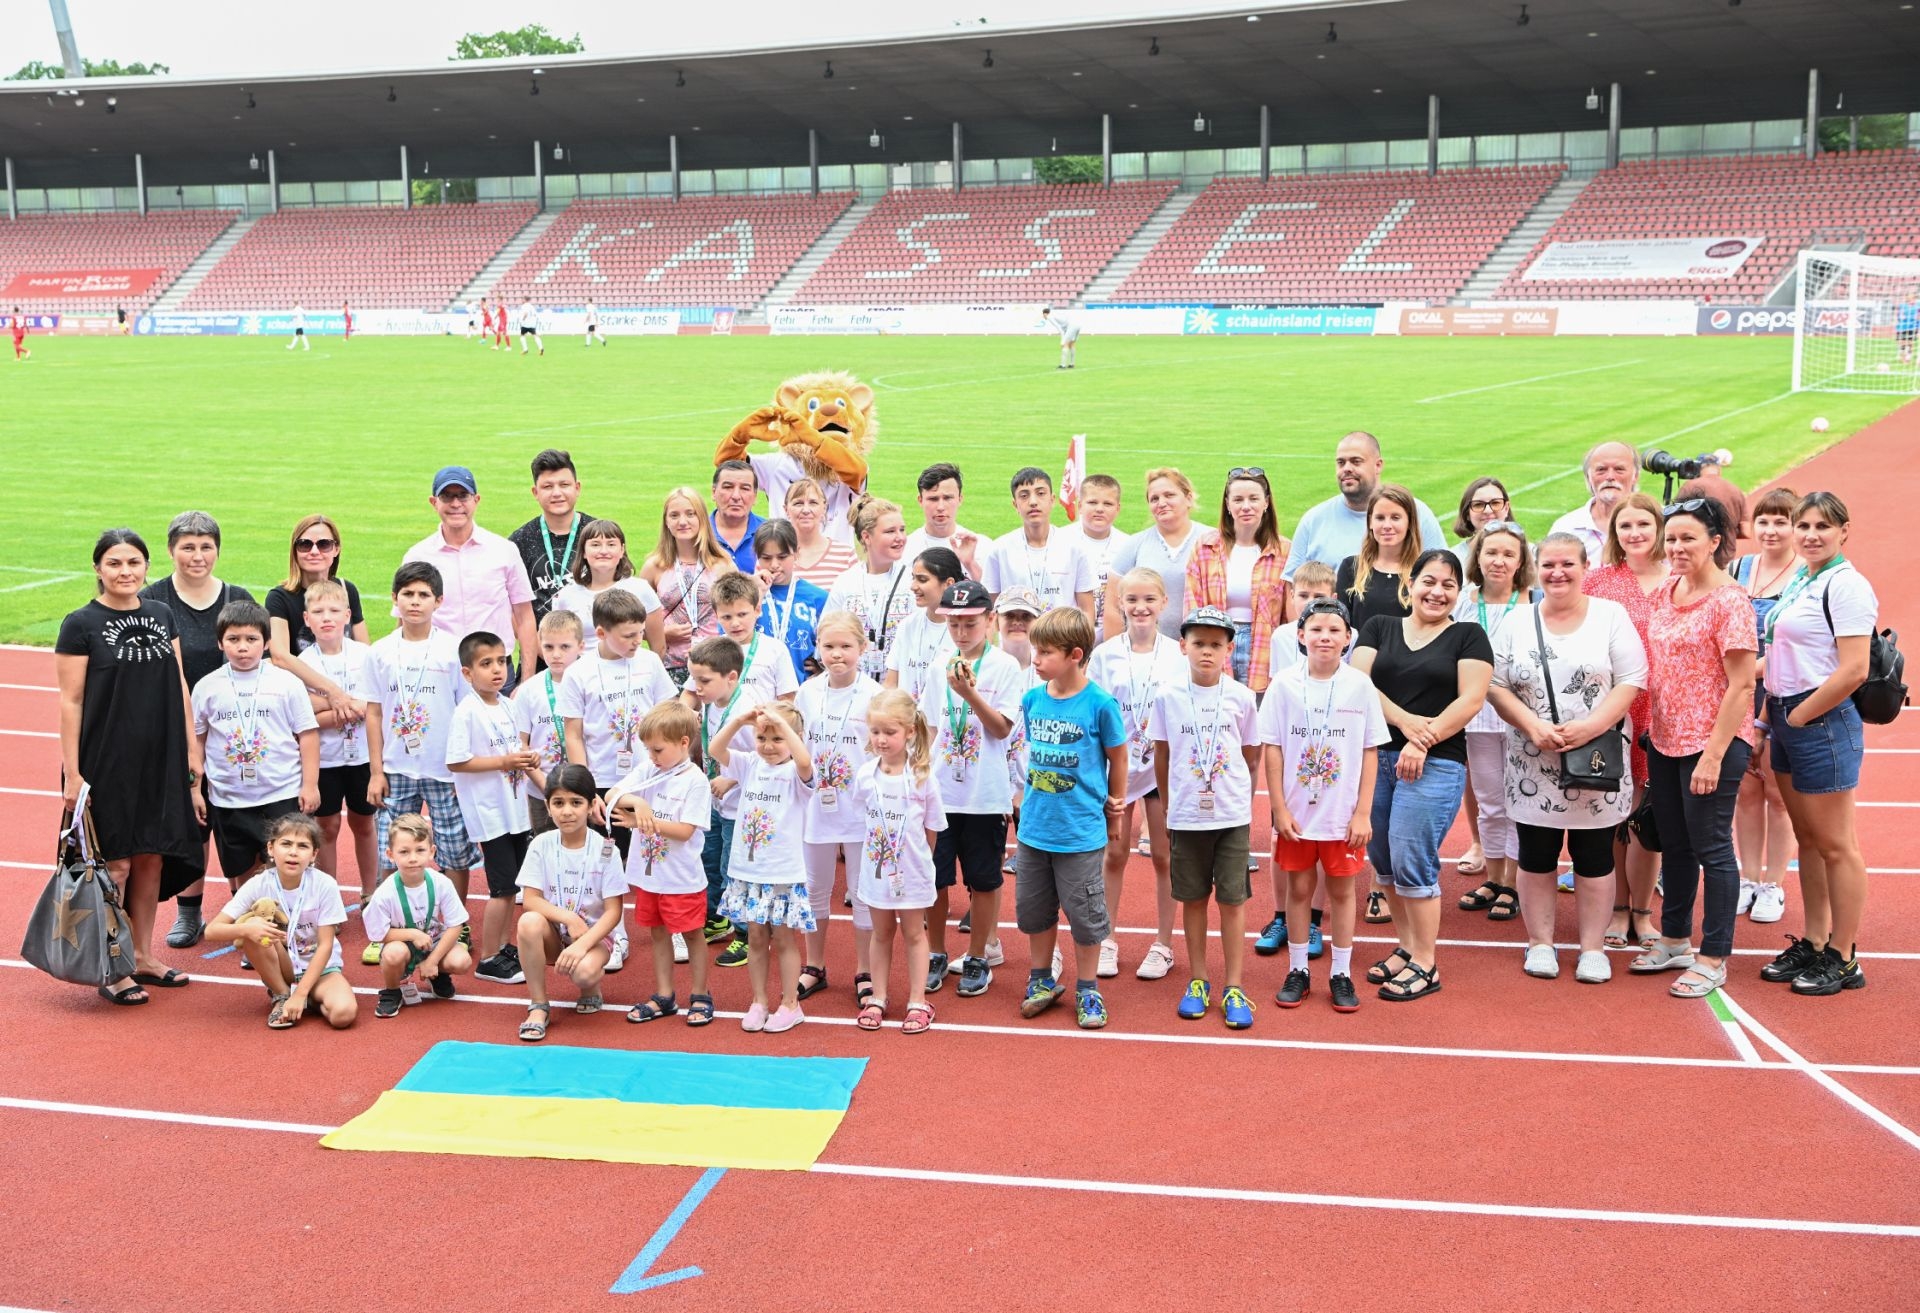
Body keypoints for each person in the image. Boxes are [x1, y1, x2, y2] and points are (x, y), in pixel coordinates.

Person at [1487, 533, 1647, 984]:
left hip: (1595, 756)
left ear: (1584, 567)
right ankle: (1540, 942)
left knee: (1594, 855)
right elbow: (1495, 683)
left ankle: (1592, 948)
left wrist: (1590, 727)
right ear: (1536, 570)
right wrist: (1532, 726)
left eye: (1567, 564)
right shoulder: (1516, 621)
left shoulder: (1610, 616)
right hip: (1531, 759)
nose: (1558, 573)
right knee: (1536, 854)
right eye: (1549, 565)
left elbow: (1632, 678)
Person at [56, 529, 204, 1004]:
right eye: (115, 563)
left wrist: (191, 749)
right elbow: (70, 701)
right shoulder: (80, 623)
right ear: (98, 569)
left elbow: (179, 682)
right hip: (105, 761)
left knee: (152, 857)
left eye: (134, 563)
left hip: (160, 757)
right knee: (114, 864)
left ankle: (142, 955)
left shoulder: (161, 614)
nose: (126, 572)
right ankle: (111, 964)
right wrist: (73, 773)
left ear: (146, 566)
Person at [1349, 550, 1493, 1002]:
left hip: (1436, 762)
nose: (1437, 592)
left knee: (1413, 857)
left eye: (1449, 585)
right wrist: (1407, 723)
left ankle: (1427, 964)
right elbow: (1360, 684)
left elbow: (1470, 700)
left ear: (1459, 592)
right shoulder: (1379, 627)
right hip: (1377, 759)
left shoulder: (1468, 636)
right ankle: (1407, 947)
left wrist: (1422, 738)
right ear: (1409, 584)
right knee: (1385, 858)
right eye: (1429, 581)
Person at [1631, 496, 1757, 1000]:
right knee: (1675, 845)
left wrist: (1712, 754)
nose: (1678, 546)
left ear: (1714, 542)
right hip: (1664, 739)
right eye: (1673, 537)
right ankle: (1676, 938)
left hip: (1713, 744)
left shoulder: (1731, 602)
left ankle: (1714, 955)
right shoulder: (1667, 590)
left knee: (1712, 847)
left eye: (1689, 538)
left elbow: (1742, 686)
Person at [1758, 491, 1877, 996]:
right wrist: (1769, 720)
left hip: (1820, 719)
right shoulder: (1806, 579)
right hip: (1788, 716)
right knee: (1807, 840)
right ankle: (1814, 939)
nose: (1810, 535)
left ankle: (1844, 956)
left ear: (1843, 530)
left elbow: (1854, 669)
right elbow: (1781, 656)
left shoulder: (1848, 586)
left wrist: (1800, 717)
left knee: (1836, 845)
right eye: (1803, 525)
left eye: (1822, 526)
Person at [1261, 597, 1385, 1014]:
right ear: (1300, 636)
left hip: (1341, 814)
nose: (1325, 636)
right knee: (1298, 889)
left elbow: (1370, 750)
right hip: (1297, 813)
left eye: (1334, 630)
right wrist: (1279, 807)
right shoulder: (1283, 684)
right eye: (1316, 629)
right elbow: (1273, 748)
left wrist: (1363, 811)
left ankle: (1341, 973)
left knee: (1343, 891)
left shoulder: (1359, 685)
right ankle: (1298, 969)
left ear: (1348, 638)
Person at [140, 511, 255, 948]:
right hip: (175, 732)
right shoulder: (152, 601)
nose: (197, 555)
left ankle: (244, 913)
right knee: (193, 822)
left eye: (206, 546)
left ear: (218, 550)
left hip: (234, 732)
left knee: (240, 823)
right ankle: (190, 914)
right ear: (171, 551)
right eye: (187, 546)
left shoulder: (238, 597)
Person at [1014, 608, 1128, 1030]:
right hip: (1034, 830)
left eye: (1045, 652)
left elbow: (1118, 756)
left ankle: (1087, 987)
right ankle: (1041, 979)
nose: (1036, 660)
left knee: (1085, 914)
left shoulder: (1100, 704)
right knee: (1034, 910)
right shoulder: (1032, 700)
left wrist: (1115, 804)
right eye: (1035, 650)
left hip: (1080, 831)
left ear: (1075, 654)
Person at [1151, 606, 1261, 1030]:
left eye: (1216, 645)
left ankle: (1234, 985)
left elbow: (1251, 756)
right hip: (1184, 816)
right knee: (1193, 899)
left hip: (1230, 816)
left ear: (1230, 649)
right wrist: (1167, 805)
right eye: (1198, 643)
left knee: (1232, 901)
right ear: (1183, 646)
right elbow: (1162, 754)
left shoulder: (1241, 697)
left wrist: (1236, 800)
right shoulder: (1167, 696)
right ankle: (1199, 980)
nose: (1207, 652)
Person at [919, 580, 1022, 998]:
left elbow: (1001, 729)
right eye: (954, 623)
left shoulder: (1005, 667)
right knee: (935, 877)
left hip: (985, 794)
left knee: (984, 879)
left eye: (970, 622)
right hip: (941, 791)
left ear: (990, 621)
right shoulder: (937, 664)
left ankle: (979, 954)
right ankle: (937, 953)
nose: (961, 632)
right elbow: (929, 725)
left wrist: (970, 694)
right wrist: (920, 772)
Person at [1582, 491, 1669, 949]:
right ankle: (1617, 908)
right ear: (1614, 534)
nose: (1634, 535)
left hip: (1666, 712)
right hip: (1613, 710)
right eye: (1625, 527)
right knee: (1613, 813)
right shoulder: (1597, 582)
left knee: (1647, 817)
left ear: (1659, 529)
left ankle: (1643, 912)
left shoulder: (1680, 579)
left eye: (1643, 525)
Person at [1088, 567, 1183, 981]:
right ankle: (1107, 938)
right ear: (1120, 604)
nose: (1140, 607)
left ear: (1164, 603)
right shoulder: (1106, 655)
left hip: (1163, 767)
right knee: (1114, 852)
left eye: (1149, 599)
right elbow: (1093, 709)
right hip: (1117, 766)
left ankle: (1163, 943)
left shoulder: (1177, 654)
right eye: (1132, 600)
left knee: (1164, 855)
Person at [190, 599, 320, 903]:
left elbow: (308, 734)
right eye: (233, 640)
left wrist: (310, 784)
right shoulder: (207, 687)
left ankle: (287, 922)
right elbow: (196, 741)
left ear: (265, 642)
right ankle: (251, 922)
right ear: (220, 642)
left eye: (251, 639)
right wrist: (195, 789)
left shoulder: (286, 683)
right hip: (228, 797)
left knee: (282, 864)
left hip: (280, 792)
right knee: (240, 868)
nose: (243, 648)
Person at [364, 562, 474, 914]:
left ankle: (456, 921)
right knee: (390, 845)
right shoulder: (379, 651)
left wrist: (463, 769)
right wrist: (376, 771)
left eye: (423, 595)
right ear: (395, 599)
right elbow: (374, 712)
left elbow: (464, 711)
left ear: (438, 601)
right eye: (407, 594)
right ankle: (389, 922)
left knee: (454, 849)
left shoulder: (453, 649)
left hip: (444, 770)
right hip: (396, 769)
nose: (415, 602)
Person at [1254, 560, 1343, 957]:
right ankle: (1280, 915)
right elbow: (1278, 691)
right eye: (1303, 596)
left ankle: (1314, 920)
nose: (1310, 602)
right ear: (1291, 599)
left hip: (1327, 748)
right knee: (1283, 834)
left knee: (1323, 837)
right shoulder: (1282, 636)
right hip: (1292, 749)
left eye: (1319, 596)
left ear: (1334, 598)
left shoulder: (1341, 635)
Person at [711, 703, 817, 1032]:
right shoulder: (749, 764)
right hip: (749, 871)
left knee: (784, 939)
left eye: (777, 738)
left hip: (782, 872)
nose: (768, 746)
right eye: (761, 738)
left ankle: (790, 1004)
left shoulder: (797, 773)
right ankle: (759, 1001)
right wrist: (741, 719)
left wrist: (783, 727)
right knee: (756, 937)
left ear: (795, 737)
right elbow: (716, 748)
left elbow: (804, 760)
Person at [608, 702, 713, 1026]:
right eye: (648, 749)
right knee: (657, 933)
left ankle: (700, 994)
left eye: (657, 749)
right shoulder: (648, 770)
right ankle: (664, 995)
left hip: (681, 877)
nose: (651, 756)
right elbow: (615, 794)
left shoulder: (695, 780)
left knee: (693, 935)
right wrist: (635, 801)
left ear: (684, 742)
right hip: (649, 876)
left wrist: (644, 821)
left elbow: (684, 831)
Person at [1452, 521, 1537, 923]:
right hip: (1477, 716)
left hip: (1521, 716)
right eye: (1491, 552)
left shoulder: (1534, 602)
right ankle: (1495, 876)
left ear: (1521, 562)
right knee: (1489, 801)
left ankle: (1516, 882)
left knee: (1519, 800)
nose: (1498, 561)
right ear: (1478, 557)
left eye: (1508, 554)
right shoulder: (1464, 602)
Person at [795, 612, 882, 1007]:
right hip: (816, 806)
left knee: (862, 893)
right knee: (815, 889)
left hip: (861, 809)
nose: (837, 654)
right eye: (829, 646)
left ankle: (864, 969)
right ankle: (814, 965)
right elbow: (799, 747)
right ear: (818, 648)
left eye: (846, 646)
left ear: (863, 649)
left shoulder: (874, 695)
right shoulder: (808, 692)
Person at [204, 812, 356, 1030]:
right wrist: (247, 928)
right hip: (284, 966)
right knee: (254, 930)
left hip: (321, 969)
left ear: (314, 854)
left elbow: (325, 945)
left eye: (302, 846)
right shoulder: (259, 884)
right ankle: (282, 994)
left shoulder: (325, 885)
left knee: (344, 1015)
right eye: (286, 844)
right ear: (270, 849)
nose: (293, 852)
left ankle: (306, 999)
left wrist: (302, 993)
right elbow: (212, 931)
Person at [559, 588, 677, 860]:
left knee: (653, 856)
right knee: (608, 861)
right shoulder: (578, 673)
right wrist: (585, 790)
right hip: (602, 780)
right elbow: (573, 735)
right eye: (628, 636)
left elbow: (668, 713)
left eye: (641, 632)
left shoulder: (649, 662)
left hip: (650, 775)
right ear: (601, 634)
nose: (638, 641)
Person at [854, 689, 947, 1034]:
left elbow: (932, 831)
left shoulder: (923, 777)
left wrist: (918, 863)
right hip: (876, 872)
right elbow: (861, 817)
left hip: (912, 872)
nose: (881, 739)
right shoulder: (865, 775)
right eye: (875, 731)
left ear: (909, 732)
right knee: (881, 933)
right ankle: (878, 997)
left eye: (889, 732)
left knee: (913, 933)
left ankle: (917, 1000)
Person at [448, 631, 537, 984]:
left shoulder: (508, 705)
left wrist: (526, 757)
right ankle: (487, 958)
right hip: (490, 812)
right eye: (486, 664)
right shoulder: (467, 712)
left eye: (502, 661)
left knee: (515, 885)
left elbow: (517, 749)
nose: (497, 670)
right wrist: (505, 761)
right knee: (502, 889)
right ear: (468, 673)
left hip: (515, 810)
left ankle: (502, 946)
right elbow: (457, 761)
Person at [512, 766, 624, 1040]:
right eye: (558, 803)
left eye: (576, 802)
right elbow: (530, 900)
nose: (567, 811)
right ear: (548, 807)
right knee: (528, 921)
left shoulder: (606, 849)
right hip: (558, 934)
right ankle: (538, 1004)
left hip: (594, 938)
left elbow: (614, 912)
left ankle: (590, 989)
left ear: (591, 805)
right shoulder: (541, 844)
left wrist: (583, 944)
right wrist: (569, 918)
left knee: (584, 973)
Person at [405, 465, 539, 691]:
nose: (456, 504)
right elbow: (406, 620)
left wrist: (526, 681)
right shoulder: (417, 556)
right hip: (438, 672)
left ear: (476, 499)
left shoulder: (503, 550)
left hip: (496, 672)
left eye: (463, 496)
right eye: (447, 496)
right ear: (433, 502)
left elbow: (525, 617)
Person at [1733, 487, 1801, 925]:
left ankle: (1773, 883)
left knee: (1777, 793)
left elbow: (1793, 645)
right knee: (1744, 792)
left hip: (1780, 694)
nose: (1771, 530)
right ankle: (1748, 878)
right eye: (1764, 521)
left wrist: (1748, 673)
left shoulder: (1803, 576)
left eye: (1781, 521)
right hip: (1736, 695)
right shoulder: (1739, 567)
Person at [686, 635, 764, 968]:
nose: (697, 688)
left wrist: (731, 778)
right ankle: (718, 919)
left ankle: (748, 936)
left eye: (704, 681)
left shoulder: (750, 707)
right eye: (694, 679)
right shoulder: (711, 701)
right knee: (710, 858)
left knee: (734, 868)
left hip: (741, 804)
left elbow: (768, 756)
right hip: (717, 801)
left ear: (731, 677)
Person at [301, 579, 377, 901]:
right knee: (326, 828)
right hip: (326, 760)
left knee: (364, 824)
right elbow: (305, 716)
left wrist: (333, 707)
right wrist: (349, 708)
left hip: (361, 756)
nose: (326, 617)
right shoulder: (303, 663)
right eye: (318, 611)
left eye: (333, 610)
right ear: (307, 619)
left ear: (348, 615)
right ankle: (329, 897)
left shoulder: (365, 655)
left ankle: (371, 892)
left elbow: (373, 707)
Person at [1284, 431, 1446, 580]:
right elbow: (1292, 585)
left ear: (1378, 465)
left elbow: (1442, 574)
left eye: (1356, 461)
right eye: (1341, 463)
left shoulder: (1417, 513)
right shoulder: (1313, 519)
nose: (1347, 468)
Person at [1186, 467, 1290, 692]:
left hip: (1263, 648)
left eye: (1254, 499)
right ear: (1227, 504)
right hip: (1216, 643)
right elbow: (1192, 604)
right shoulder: (1205, 547)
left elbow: (1287, 614)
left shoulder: (1284, 551)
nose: (1246, 506)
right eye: (1238, 499)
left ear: (1266, 503)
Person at [363, 812, 472, 1019]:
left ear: (432, 852)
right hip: (403, 944)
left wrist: (433, 960)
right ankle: (392, 990)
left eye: (420, 850)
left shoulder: (441, 883)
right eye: (404, 852)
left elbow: (456, 925)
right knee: (392, 954)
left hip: (433, 941)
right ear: (390, 854)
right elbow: (378, 934)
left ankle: (437, 973)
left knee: (461, 961)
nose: (413, 858)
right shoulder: (385, 892)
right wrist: (412, 933)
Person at [266, 514, 370, 716]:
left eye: (324, 544)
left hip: (349, 692)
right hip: (306, 697)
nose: (314, 551)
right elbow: (280, 657)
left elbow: (365, 650)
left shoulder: (346, 590)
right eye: (305, 544)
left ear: (336, 549)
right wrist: (331, 693)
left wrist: (348, 697)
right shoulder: (279, 597)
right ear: (294, 550)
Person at [639, 486, 731, 684]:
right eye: (674, 515)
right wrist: (660, 634)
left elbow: (740, 615)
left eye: (690, 514)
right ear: (666, 521)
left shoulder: (723, 565)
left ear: (702, 519)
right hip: (669, 668)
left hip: (716, 666)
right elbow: (631, 622)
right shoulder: (654, 567)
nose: (682, 521)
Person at [982, 468, 1096, 622]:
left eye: (1040, 493)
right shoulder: (999, 550)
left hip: (1062, 641)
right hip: (1017, 641)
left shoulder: (1076, 547)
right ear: (1015, 505)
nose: (1033, 502)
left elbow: (1087, 611)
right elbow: (991, 612)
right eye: (1024, 496)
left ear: (1052, 499)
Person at [508, 449, 602, 629]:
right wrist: (542, 649)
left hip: (593, 651)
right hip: (540, 652)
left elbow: (619, 596)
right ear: (535, 492)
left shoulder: (600, 534)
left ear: (577, 488)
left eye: (564, 484)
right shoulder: (518, 542)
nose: (557, 493)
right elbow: (511, 609)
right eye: (547, 487)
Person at [827, 496, 916, 682]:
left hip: (901, 691)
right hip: (855, 689)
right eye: (890, 531)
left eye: (902, 530)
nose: (900, 538)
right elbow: (827, 631)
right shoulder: (846, 582)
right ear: (866, 537)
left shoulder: (913, 580)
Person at [1107, 468, 1203, 642]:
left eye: (1169, 495)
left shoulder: (1212, 539)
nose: (1161, 503)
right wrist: (1114, 655)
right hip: (1146, 650)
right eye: (1154, 499)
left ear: (1188, 498)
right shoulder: (1135, 544)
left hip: (1199, 650)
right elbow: (1113, 606)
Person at [515, 608, 585, 838]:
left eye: (565, 647)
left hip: (583, 789)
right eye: (548, 647)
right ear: (539, 645)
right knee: (546, 847)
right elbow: (520, 744)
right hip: (541, 789)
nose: (556, 655)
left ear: (581, 646)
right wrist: (546, 786)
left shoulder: (590, 683)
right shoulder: (528, 691)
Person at [550, 518, 667, 656]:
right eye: (595, 545)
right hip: (585, 674)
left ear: (622, 550)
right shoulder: (567, 596)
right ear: (584, 552)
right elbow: (559, 646)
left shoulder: (640, 589)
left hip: (629, 673)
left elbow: (658, 647)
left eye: (611, 544)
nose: (603, 551)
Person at [1336, 483, 1424, 635]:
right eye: (1380, 518)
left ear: (1409, 522)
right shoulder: (1351, 568)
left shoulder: (1423, 570)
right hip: (1361, 657)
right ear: (1370, 521)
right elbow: (1341, 626)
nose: (1387, 525)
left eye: (1395, 518)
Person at [886, 546, 964, 701]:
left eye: (922, 579)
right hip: (907, 721)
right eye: (913, 578)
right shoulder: (908, 625)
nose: (913, 586)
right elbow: (891, 683)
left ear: (948, 583)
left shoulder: (965, 629)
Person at [754, 519, 828, 681]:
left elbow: (833, 641)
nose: (774, 565)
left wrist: (823, 668)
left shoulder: (817, 597)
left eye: (782, 557)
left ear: (796, 553)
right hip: (756, 690)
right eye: (766, 558)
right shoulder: (746, 594)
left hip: (800, 692)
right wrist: (756, 594)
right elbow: (728, 637)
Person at [1059, 474, 1133, 636]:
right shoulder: (1059, 541)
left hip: (1112, 636)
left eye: (1108, 503)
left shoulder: (1128, 545)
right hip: (1067, 635)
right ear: (1080, 506)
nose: (1099, 509)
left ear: (1118, 508)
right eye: (1092, 502)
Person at [712, 570, 799, 705]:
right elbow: (692, 692)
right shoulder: (710, 650)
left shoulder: (776, 649)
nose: (735, 623)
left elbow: (787, 698)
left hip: (762, 725)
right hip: (722, 726)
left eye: (742, 614)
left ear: (757, 610)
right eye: (727, 617)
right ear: (716, 615)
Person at [1550, 441, 1640, 565]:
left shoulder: (1659, 521)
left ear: (1635, 476)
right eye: (1601, 470)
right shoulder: (1566, 527)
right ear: (1588, 477)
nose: (1610, 476)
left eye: (1619, 469)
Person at [904, 463, 988, 580]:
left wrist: (970, 564)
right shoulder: (905, 549)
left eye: (948, 498)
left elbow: (991, 596)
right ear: (920, 500)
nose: (940, 507)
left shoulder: (982, 547)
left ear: (960, 499)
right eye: (933, 499)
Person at [784, 477, 860, 588]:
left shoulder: (845, 556)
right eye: (798, 503)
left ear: (824, 508)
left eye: (813, 503)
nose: (806, 510)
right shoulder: (773, 555)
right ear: (786, 510)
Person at [710, 460, 765, 573]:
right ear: (713, 492)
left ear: (755, 496)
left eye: (745, 488)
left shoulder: (771, 533)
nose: (736, 496)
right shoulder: (697, 532)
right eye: (728, 487)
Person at [1450, 476, 1513, 560]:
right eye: (1478, 504)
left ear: (1506, 508)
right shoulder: (1453, 559)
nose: (1488, 510)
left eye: (1495, 503)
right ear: (1467, 513)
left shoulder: (1529, 553)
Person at [1040, 304, 1080, 369]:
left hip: (1072, 326)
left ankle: (1063, 365)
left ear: (1045, 314)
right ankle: (1072, 364)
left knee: (1064, 344)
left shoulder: (1049, 317)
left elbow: (1058, 327)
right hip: (1077, 324)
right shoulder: (1056, 314)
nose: (1043, 316)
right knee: (1071, 344)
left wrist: (1062, 339)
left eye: (1043, 314)